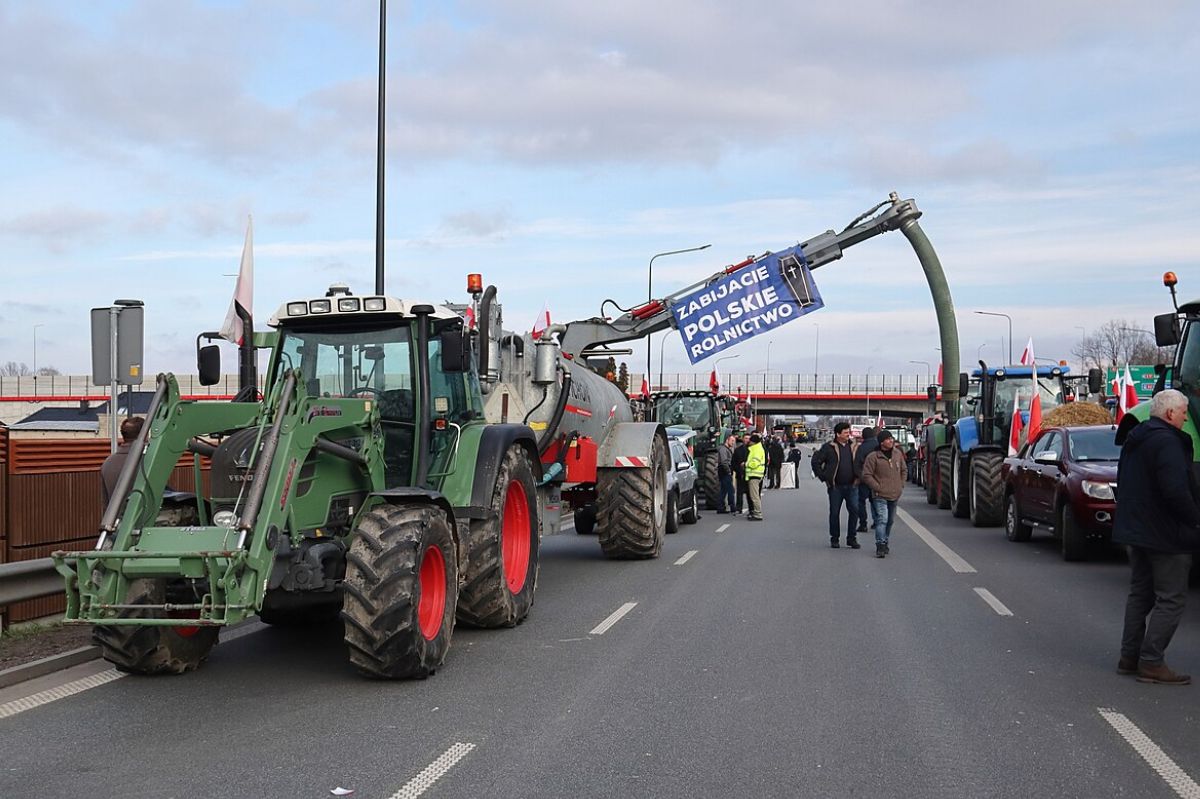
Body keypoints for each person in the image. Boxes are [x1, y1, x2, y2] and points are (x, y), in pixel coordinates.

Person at [1113, 389, 1200, 685]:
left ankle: (1129, 657)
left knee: (1140, 594)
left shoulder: (1135, 441)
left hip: (1136, 531)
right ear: (1170, 413)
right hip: (1166, 534)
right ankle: (1151, 662)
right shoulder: (1168, 443)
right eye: (1184, 412)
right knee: (1171, 598)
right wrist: (1195, 520)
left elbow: (1122, 481)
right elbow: (1176, 491)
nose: (1186, 417)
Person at [811, 422, 861, 548]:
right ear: (838, 434)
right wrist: (823, 477)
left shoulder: (854, 447)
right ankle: (835, 538)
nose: (848, 434)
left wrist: (860, 477)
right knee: (834, 513)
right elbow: (816, 461)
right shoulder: (829, 447)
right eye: (845, 432)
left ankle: (851, 538)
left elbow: (863, 462)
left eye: (848, 432)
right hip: (835, 487)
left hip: (852, 485)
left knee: (854, 511)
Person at [861, 430, 906, 558]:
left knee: (890, 521)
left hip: (894, 494)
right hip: (879, 495)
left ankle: (885, 540)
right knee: (882, 520)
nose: (891, 441)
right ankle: (880, 544)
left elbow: (904, 470)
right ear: (881, 442)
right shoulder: (873, 457)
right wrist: (877, 487)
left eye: (891, 439)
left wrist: (901, 484)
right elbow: (867, 475)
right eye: (888, 439)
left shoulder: (897, 454)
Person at [100, 416, 145, 504]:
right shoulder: (147, 462)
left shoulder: (107, 463)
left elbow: (105, 502)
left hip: (115, 517)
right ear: (144, 435)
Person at [853, 427, 879, 534]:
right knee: (876, 501)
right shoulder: (879, 446)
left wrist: (859, 477)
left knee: (861, 502)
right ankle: (878, 522)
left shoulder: (861, 448)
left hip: (864, 479)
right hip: (877, 479)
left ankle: (863, 524)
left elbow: (857, 464)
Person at [745, 433, 766, 521]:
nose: (749, 442)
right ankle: (756, 512)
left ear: (753, 442)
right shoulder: (757, 448)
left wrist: (746, 464)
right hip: (756, 475)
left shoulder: (756, 450)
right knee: (754, 495)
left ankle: (758, 513)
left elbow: (754, 463)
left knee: (754, 496)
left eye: (750, 441)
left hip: (754, 475)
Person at [716, 434, 736, 514]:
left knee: (723, 490)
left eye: (734, 441)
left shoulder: (726, 449)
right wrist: (728, 471)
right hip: (724, 470)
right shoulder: (723, 449)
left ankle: (720, 507)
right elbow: (724, 462)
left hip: (724, 470)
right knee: (730, 490)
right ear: (727, 440)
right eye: (732, 441)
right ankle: (732, 507)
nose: (733, 443)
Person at [732, 434, 750, 515]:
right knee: (739, 493)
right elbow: (734, 462)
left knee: (750, 494)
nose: (747, 440)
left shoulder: (752, 450)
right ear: (743, 439)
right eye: (746, 438)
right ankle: (739, 508)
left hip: (750, 474)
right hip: (740, 474)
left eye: (748, 438)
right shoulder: (737, 450)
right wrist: (738, 469)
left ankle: (751, 508)